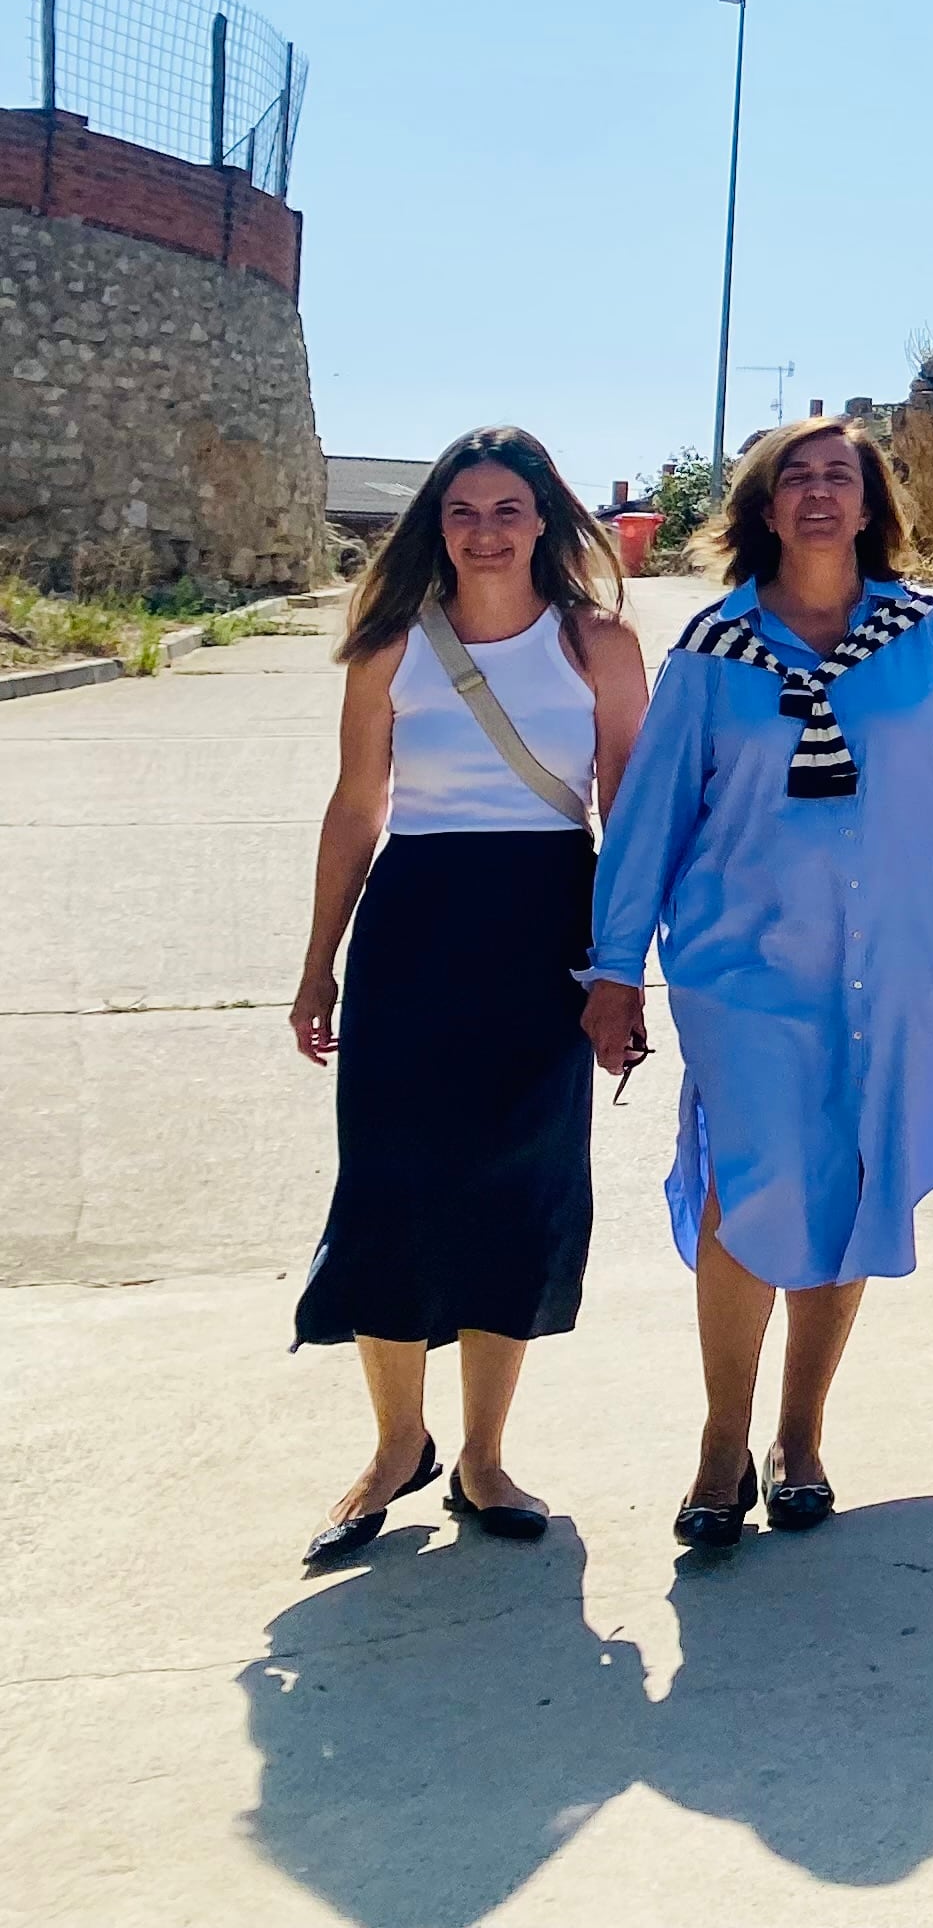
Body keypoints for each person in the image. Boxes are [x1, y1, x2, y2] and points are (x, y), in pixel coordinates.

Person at [580, 415, 933, 1550]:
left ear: (872, 501)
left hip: (895, 958)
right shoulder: (711, 652)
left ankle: (800, 1438)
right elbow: (650, 820)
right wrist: (613, 968)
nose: (821, 494)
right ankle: (718, 1441)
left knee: (845, 1176)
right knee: (748, 1186)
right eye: (797, 478)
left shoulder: (928, 633)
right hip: (749, 966)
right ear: (764, 507)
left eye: (843, 476)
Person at [292, 426, 650, 1563]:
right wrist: (318, 961)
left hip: (548, 922)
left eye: (507, 509)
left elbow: (627, 814)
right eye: (463, 511)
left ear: (545, 518)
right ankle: (399, 1446)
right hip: (415, 924)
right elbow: (358, 808)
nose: (485, 530)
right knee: (390, 1183)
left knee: (521, 1186)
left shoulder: (599, 644)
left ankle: (485, 1459)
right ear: (435, 526)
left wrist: (619, 969)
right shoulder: (391, 645)